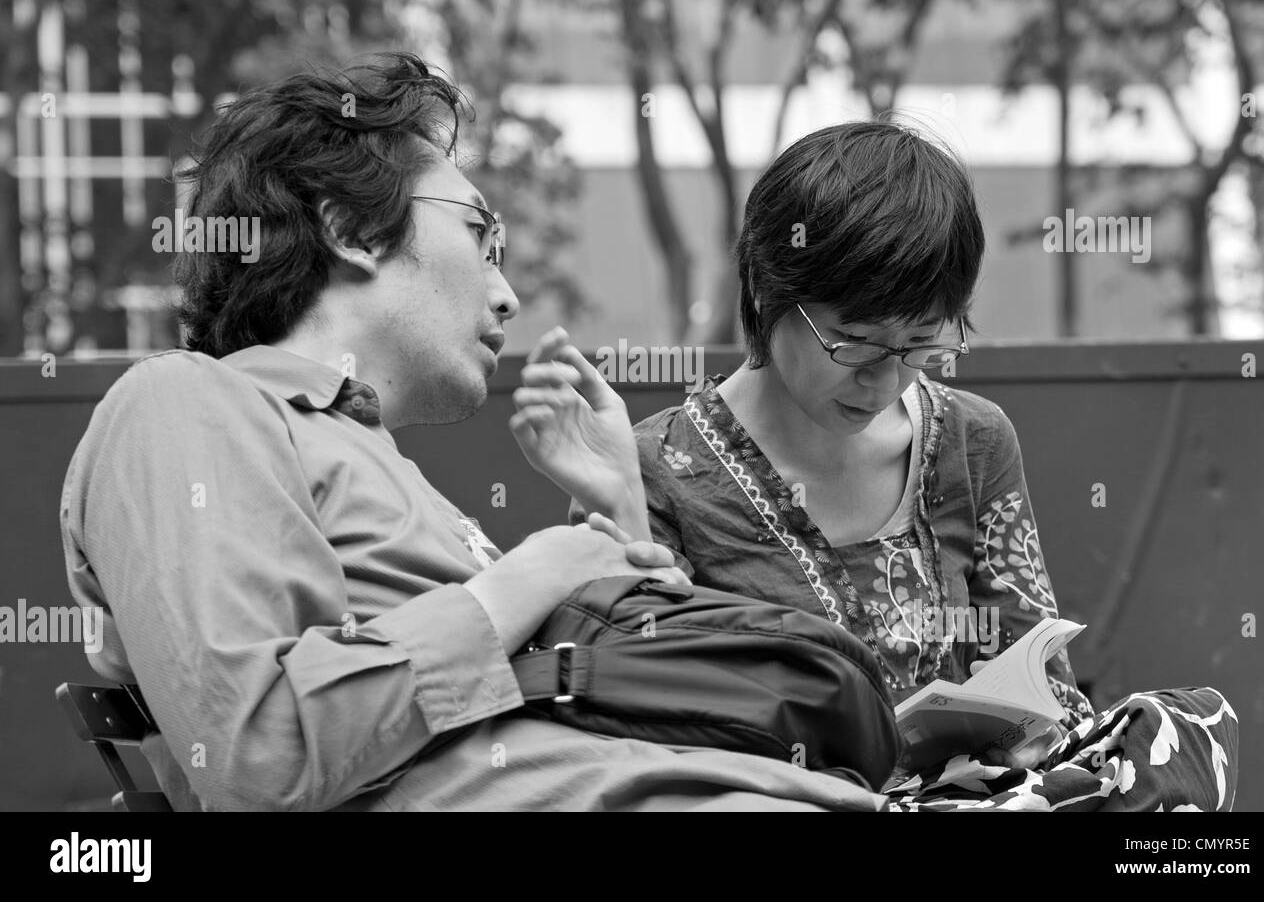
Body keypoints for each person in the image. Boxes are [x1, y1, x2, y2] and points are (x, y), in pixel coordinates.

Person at [58, 54, 891, 812]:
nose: (508, 296)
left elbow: (617, 715)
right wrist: (532, 573)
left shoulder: (377, 467)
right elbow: (258, 753)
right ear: (349, 228)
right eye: (480, 236)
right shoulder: (181, 400)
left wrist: (615, 511)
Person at [512, 119, 1239, 811]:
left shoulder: (971, 440)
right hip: (785, 804)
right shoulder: (655, 466)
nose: (886, 379)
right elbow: (635, 717)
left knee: (1182, 731)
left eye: (921, 345)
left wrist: (1025, 733)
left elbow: (1039, 677)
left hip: (973, 796)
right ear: (769, 292)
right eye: (854, 342)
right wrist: (621, 514)